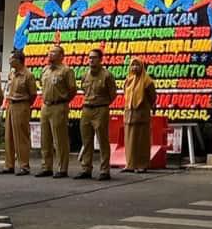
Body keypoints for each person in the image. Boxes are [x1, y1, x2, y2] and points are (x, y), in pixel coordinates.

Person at [36, 45, 77, 178]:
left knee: (60, 139)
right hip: (45, 106)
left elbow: (72, 89)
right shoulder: (45, 70)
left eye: (54, 52)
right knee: (45, 138)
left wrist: (64, 100)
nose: (50, 54)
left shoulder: (66, 71)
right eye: (50, 52)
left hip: (59, 106)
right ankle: (46, 166)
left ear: (61, 56)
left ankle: (62, 168)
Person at [76, 48, 117, 181]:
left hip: (101, 109)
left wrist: (103, 103)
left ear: (100, 60)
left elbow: (112, 94)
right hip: (87, 109)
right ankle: (86, 168)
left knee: (102, 140)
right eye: (89, 58)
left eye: (94, 58)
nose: (91, 60)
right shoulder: (85, 75)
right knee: (86, 140)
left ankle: (104, 170)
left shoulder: (107, 75)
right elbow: (84, 90)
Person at [0, 50, 37, 175]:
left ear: (18, 60)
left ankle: (24, 165)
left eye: (11, 59)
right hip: (10, 105)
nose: (9, 61)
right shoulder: (12, 74)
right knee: (9, 136)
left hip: (21, 105)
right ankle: (9, 165)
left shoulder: (28, 75)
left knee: (21, 136)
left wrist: (25, 103)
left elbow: (33, 94)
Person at [122, 56, 156, 173]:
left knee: (142, 141)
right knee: (129, 141)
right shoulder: (128, 80)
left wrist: (149, 106)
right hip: (129, 115)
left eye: (137, 65)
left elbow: (152, 97)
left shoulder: (147, 81)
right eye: (132, 65)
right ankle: (130, 164)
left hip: (142, 115)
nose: (134, 67)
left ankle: (142, 165)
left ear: (142, 67)